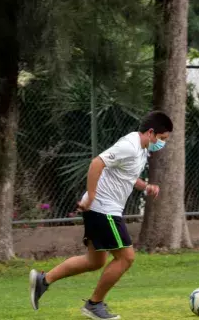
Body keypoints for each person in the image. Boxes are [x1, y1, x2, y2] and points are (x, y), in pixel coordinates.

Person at [29, 111, 173, 320]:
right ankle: (94, 304)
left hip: (102, 209)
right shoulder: (130, 146)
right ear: (151, 132)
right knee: (126, 257)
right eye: (162, 139)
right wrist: (92, 196)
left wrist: (146, 186)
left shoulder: (141, 150)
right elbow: (97, 163)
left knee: (94, 261)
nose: (162, 144)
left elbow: (127, 176)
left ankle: (44, 280)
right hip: (104, 209)